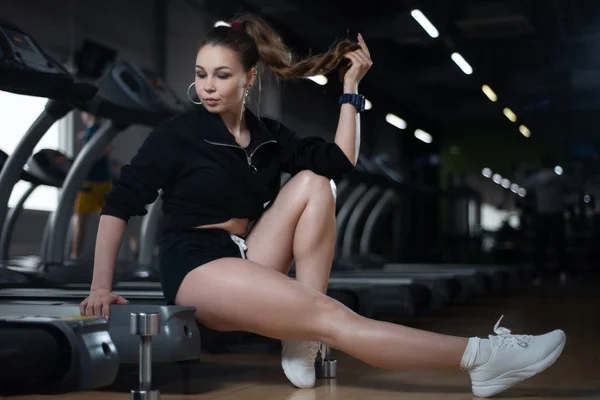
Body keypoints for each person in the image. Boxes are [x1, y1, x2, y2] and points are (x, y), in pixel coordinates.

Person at [79, 14, 565, 398]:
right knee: (333, 316)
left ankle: (301, 337)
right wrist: (101, 286)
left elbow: (339, 161)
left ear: (249, 78)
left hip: (247, 252)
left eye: (222, 75)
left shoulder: (268, 135)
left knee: (317, 181)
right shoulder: (177, 134)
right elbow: (121, 205)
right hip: (198, 264)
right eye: (202, 74)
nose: (208, 86)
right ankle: (482, 358)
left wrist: (352, 87)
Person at [522, 154, 573, 285]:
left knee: (541, 246)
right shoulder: (560, 178)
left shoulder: (535, 178)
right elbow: (571, 187)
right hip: (557, 213)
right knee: (560, 245)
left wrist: (523, 172)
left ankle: (538, 275)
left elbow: (525, 187)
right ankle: (563, 273)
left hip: (542, 214)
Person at [71, 112, 113, 259]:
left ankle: (75, 255)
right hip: (103, 182)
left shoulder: (95, 130)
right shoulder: (98, 130)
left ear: (87, 115)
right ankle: (132, 248)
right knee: (108, 220)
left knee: (81, 220)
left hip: (91, 183)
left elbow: (105, 150)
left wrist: (94, 151)